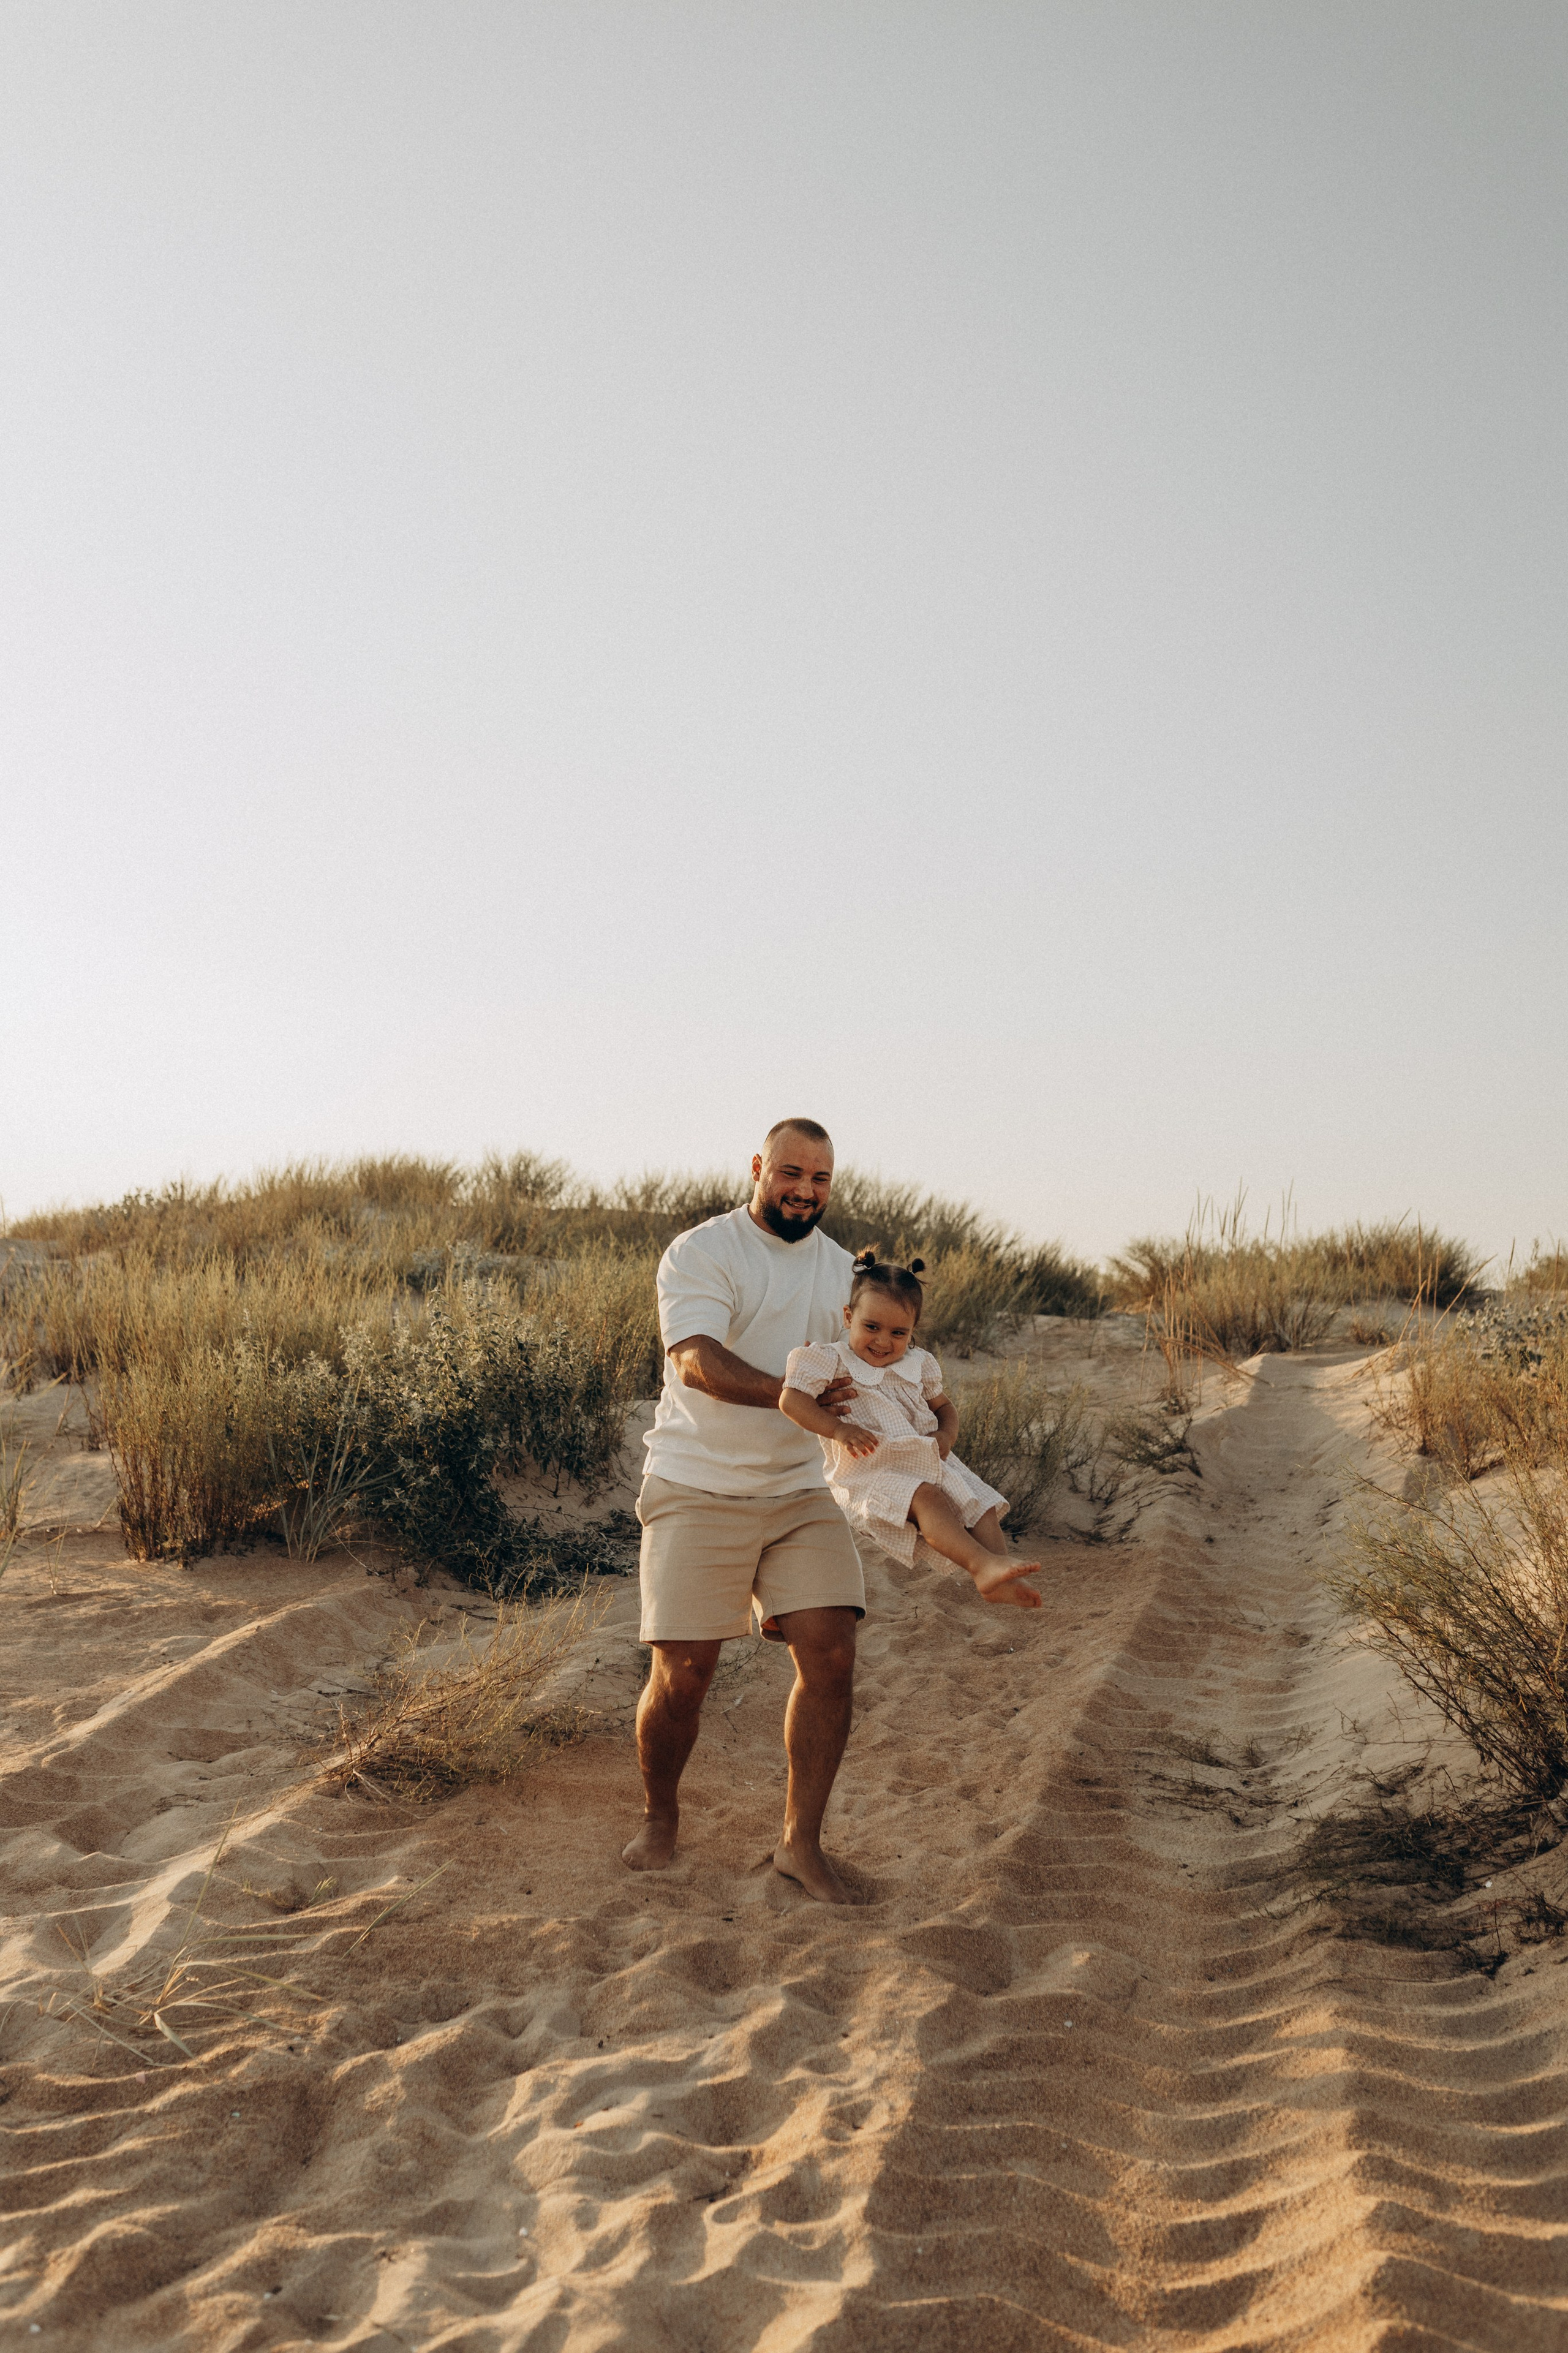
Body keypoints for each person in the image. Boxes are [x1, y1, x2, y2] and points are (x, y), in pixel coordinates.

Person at [624, 1118, 866, 1904]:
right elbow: (696, 1361)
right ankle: (661, 1816)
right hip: (696, 1481)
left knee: (832, 1656)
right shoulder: (702, 1251)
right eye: (791, 1172)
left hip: (801, 1487)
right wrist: (792, 1396)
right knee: (684, 1675)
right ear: (759, 1167)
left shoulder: (845, 1272)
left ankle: (800, 1844)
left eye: (820, 1179)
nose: (804, 1190)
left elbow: (872, 1366)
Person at [780, 1251, 1042, 1609]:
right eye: (871, 1327)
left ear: (912, 1331)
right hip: (870, 1469)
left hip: (926, 1458)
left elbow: (945, 1408)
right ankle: (981, 1565)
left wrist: (946, 1436)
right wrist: (838, 1430)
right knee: (926, 1498)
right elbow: (792, 1401)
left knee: (978, 1504)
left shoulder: (918, 1364)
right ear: (848, 1317)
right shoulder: (830, 1359)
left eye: (898, 1333)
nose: (883, 1342)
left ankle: (1002, 1572)